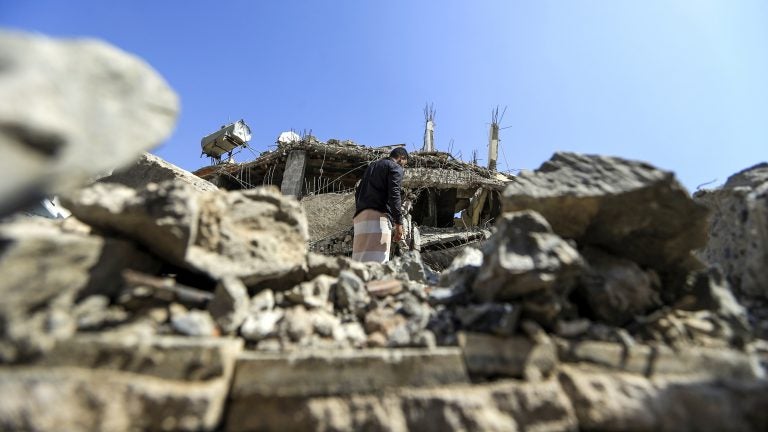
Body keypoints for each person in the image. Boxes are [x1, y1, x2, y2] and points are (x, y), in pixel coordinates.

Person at [352, 147, 408, 263]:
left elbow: (358, 192)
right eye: (404, 164)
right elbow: (394, 195)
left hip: (359, 219)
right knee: (377, 266)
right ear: (401, 158)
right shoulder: (395, 167)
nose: (403, 167)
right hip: (378, 219)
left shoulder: (371, 167)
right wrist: (398, 223)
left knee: (359, 266)